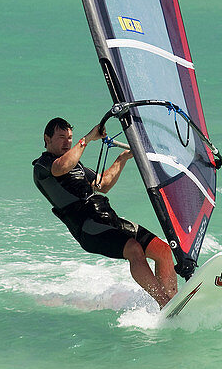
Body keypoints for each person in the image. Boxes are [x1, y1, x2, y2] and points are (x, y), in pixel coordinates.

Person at [32, 117, 177, 308]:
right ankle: (164, 303)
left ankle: (174, 302)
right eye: (61, 137)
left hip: (108, 217)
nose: (67, 142)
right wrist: (88, 138)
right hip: (87, 226)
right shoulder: (42, 166)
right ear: (47, 139)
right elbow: (61, 167)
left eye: (70, 138)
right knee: (134, 249)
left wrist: (122, 158)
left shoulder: (78, 166)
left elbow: (104, 184)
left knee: (163, 250)